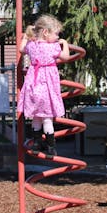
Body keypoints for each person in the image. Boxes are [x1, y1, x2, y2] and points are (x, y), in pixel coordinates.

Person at [17, 14, 71, 156]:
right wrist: (64, 44)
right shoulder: (53, 47)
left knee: (36, 117)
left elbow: (21, 49)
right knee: (47, 118)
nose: (57, 37)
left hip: (34, 86)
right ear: (46, 32)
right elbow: (66, 57)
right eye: (56, 34)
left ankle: (35, 144)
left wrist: (25, 37)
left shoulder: (32, 45)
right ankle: (51, 147)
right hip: (47, 88)